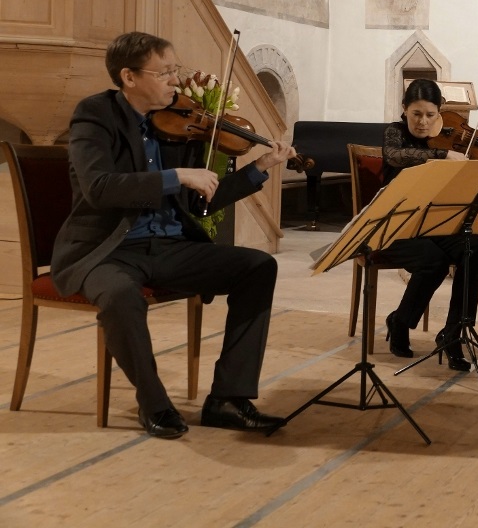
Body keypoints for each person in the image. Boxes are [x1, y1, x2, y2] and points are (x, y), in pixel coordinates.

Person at [51, 32, 297, 439]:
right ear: (128, 77)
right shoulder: (94, 115)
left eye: (175, 71)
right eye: (165, 73)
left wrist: (261, 167)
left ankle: (228, 399)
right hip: (108, 249)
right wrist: (176, 175)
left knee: (257, 266)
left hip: (167, 246)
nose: (175, 81)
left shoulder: (177, 123)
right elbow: (99, 187)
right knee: (119, 296)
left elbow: (200, 204)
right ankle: (154, 402)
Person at [380, 79, 478, 371]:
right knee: (433, 260)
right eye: (416, 114)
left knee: (476, 248)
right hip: (397, 226)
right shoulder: (395, 134)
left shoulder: (454, 137)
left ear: (441, 112)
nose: (422, 122)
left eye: (430, 115)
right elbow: (394, 157)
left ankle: (453, 334)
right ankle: (400, 321)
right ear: (404, 110)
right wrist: (442, 155)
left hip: (438, 223)